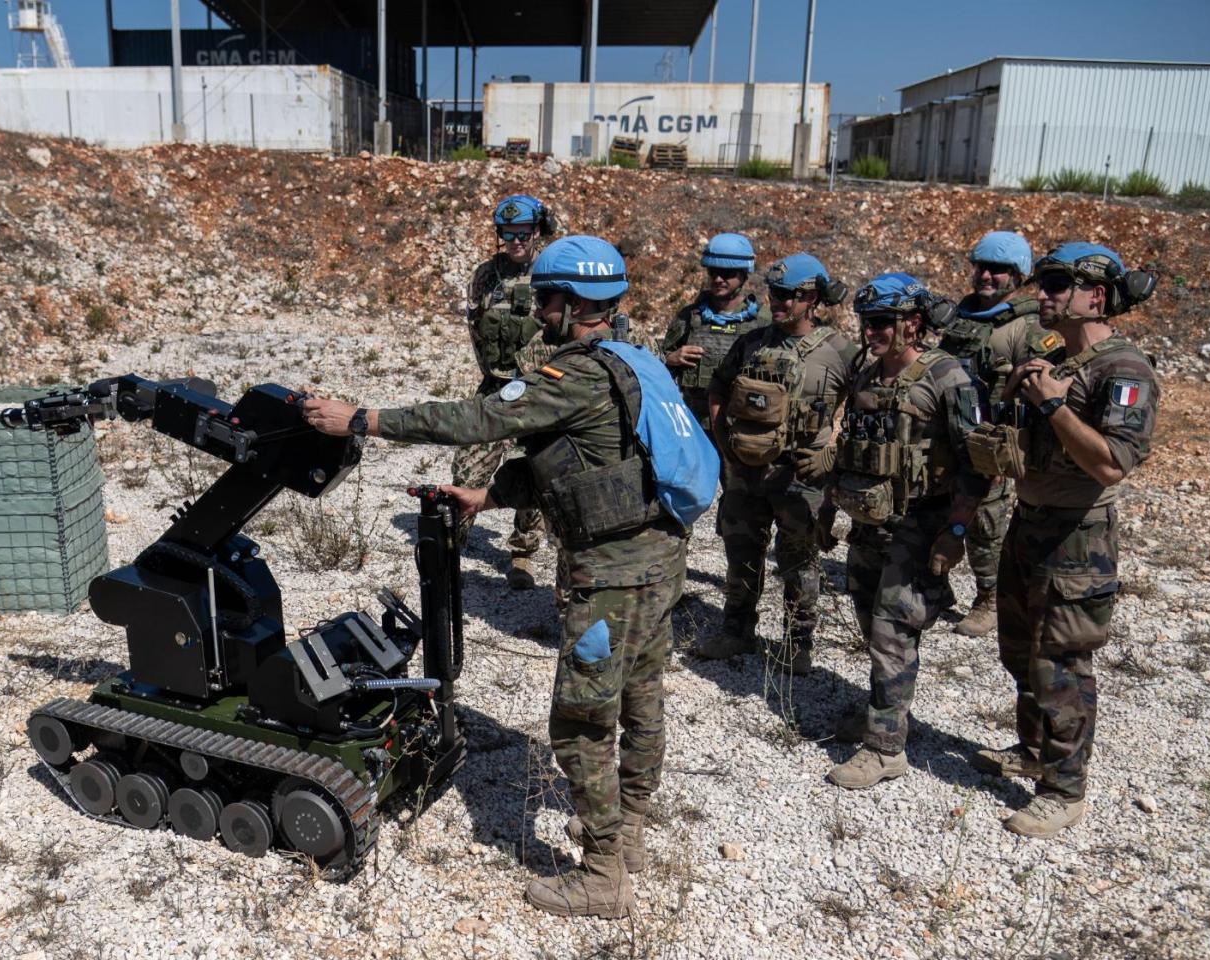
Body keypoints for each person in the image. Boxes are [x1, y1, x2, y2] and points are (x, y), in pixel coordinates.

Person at [303, 235, 714, 918]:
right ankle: (630, 829)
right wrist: (488, 499)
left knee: (581, 719)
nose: (537, 309)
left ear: (574, 303)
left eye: (545, 298)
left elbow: (478, 417)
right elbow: (583, 461)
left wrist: (363, 419)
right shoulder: (633, 360)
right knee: (642, 694)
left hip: (610, 573)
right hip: (657, 557)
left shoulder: (574, 374)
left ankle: (604, 875)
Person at [973, 243, 1158, 837]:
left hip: (1079, 536)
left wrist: (1053, 405)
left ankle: (1065, 788)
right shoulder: (1054, 356)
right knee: (1020, 648)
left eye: (1057, 284)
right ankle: (1033, 750)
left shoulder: (1123, 370)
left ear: (1096, 295)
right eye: (1044, 283)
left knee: (1063, 664)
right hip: (1029, 521)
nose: (1043, 294)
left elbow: (1111, 465)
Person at [825, 273, 988, 790]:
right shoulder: (866, 376)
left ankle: (884, 748)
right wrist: (830, 510)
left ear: (913, 323)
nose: (869, 332)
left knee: (893, 632)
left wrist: (956, 531)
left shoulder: (948, 379)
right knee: (867, 616)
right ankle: (886, 711)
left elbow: (978, 467)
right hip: (869, 521)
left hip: (921, 524)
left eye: (880, 324)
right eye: (865, 322)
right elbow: (849, 446)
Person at [699, 253, 855, 674]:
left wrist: (833, 453)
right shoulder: (752, 341)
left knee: (798, 562)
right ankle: (736, 631)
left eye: (792, 295)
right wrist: (723, 443)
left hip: (800, 477)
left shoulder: (840, 351)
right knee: (741, 553)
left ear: (815, 299)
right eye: (776, 293)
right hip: (746, 472)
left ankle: (797, 642)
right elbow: (717, 388)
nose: (781, 302)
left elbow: (866, 409)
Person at [938, 231, 1060, 637]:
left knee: (985, 522)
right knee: (937, 507)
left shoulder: (1028, 327)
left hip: (992, 439)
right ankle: (936, 582)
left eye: (998, 270)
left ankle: (989, 597)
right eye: (982, 267)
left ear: (1018, 276)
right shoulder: (960, 316)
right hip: (948, 431)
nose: (986, 276)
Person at [453, 193, 558, 590]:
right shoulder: (485, 276)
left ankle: (522, 554)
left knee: (533, 469)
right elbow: (476, 330)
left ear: (537, 232)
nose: (517, 241)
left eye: (524, 233)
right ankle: (453, 544)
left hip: (536, 391)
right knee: (467, 465)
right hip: (495, 388)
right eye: (508, 234)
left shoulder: (552, 275)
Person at [660, 232, 766, 430]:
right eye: (713, 272)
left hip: (742, 426)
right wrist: (670, 359)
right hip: (695, 424)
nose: (718, 279)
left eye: (726, 273)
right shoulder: (689, 317)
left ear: (743, 274)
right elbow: (656, 365)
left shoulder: (763, 321)